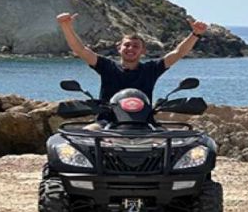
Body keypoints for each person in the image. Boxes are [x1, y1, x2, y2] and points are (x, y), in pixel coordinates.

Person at [56, 13, 208, 128]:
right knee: (84, 136)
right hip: (107, 122)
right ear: (119, 48)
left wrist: (195, 34)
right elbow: (81, 50)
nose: (131, 48)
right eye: (127, 45)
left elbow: (178, 53)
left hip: (145, 123)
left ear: (143, 51)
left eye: (136, 46)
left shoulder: (151, 69)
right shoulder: (107, 67)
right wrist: (66, 26)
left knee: (173, 146)